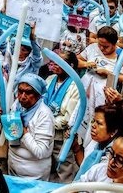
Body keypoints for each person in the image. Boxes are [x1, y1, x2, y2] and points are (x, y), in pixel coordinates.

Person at [6, 73, 55, 181]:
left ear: (38, 95)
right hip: (13, 169)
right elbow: (11, 133)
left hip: (34, 177)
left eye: (28, 92)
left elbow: (41, 152)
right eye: (20, 91)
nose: (22, 96)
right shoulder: (17, 105)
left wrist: (24, 132)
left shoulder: (44, 115)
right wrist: (5, 120)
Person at [44, 51, 80, 183]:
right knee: (48, 167)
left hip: (60, 134)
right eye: (56, 61)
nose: (56, 64)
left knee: (64, 168)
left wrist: (45, 121)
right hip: (44, 131)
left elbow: (68, 118)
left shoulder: (76, 86)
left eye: (61, 62)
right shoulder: (49, 80)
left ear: (70, 65)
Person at [73, 104, 123, 181]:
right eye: (93, 121)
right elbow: (86, 170)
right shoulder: (95, 144)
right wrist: (77, 148)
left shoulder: (113, 157)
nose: (93, 125)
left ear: (113, 131)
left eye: (99, 123)